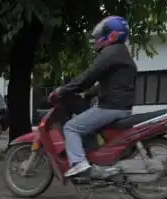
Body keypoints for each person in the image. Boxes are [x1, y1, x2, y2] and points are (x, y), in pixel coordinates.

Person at [51, 16, 137, 178]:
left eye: (99, 36)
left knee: (71, 127)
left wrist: (63, 90)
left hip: (110, 107)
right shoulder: (122, 53)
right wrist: (86, 94)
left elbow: (88, 76)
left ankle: (79, 164)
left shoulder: (111, 53)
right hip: (120, 106)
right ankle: (95, 164)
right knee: (87, 127)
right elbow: (105, 84)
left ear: (111, 35)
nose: (97, 40)